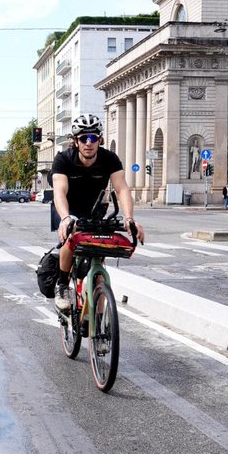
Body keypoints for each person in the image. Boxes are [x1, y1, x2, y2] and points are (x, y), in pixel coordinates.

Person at [51, 113, 145, 312]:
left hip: (95, 211)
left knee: (99, 265)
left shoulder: (109, 158)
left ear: (100, 140)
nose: (88, 142)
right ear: (76, 141)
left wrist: (129, 219)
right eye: (83, 138)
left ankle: (99, 327)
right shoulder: (63, 159)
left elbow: (122, 189)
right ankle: (62, 286)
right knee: (71, 239)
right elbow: (59, 191)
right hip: (68, 208)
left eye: (93, 138)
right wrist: (65, 218)